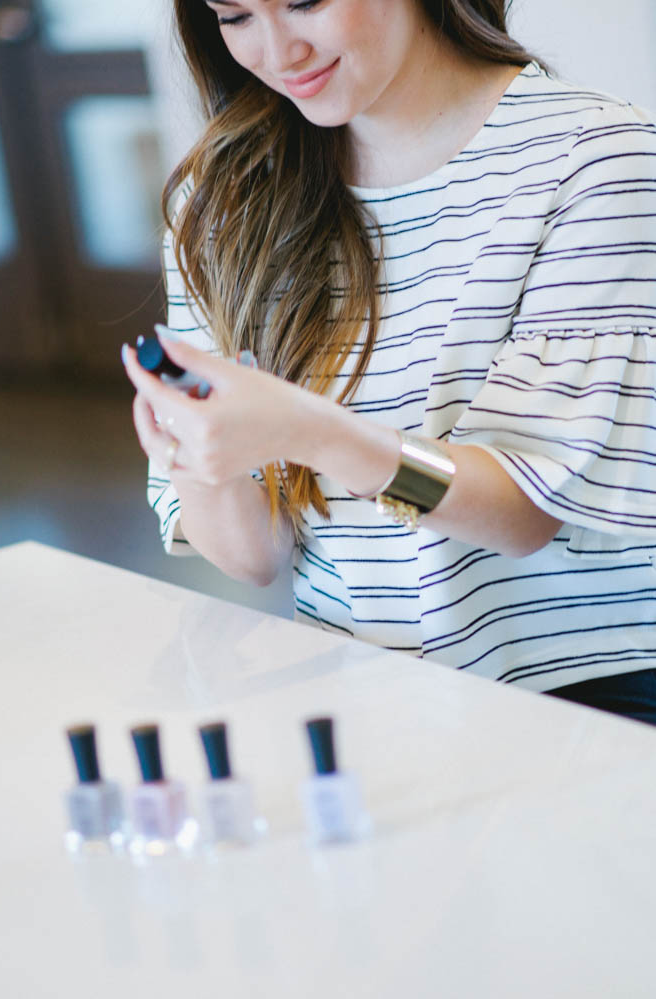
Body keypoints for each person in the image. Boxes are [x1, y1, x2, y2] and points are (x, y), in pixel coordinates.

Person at [122, 0, 656, 723]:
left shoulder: (595, 160)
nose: (278, 54)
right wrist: (198, 453)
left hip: (594, 697)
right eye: (236, 15)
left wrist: (310, 431)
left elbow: (522, 512)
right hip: (369, 691)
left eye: (304, 2)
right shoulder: (226, 200)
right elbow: (254, 558)